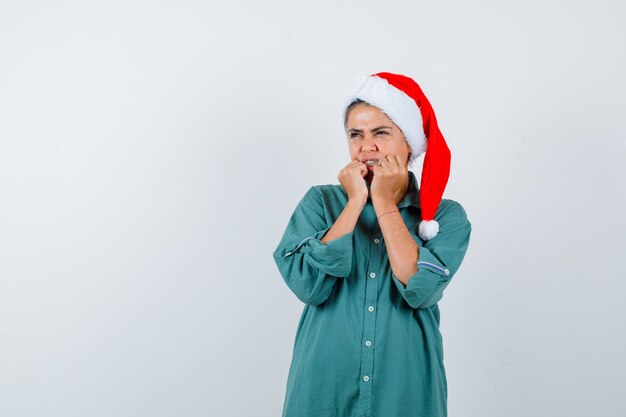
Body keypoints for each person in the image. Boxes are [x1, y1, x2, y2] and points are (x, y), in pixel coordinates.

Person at [272, 72, 472, 417]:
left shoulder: (444, 216)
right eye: (356, 134)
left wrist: (384, 203)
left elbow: (419, 289)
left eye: (381, 132)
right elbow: (308, 285)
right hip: (323, 389)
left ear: (408, 142)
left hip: (405, 391)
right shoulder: (320, 203)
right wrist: (353, 203)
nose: (367, 146)